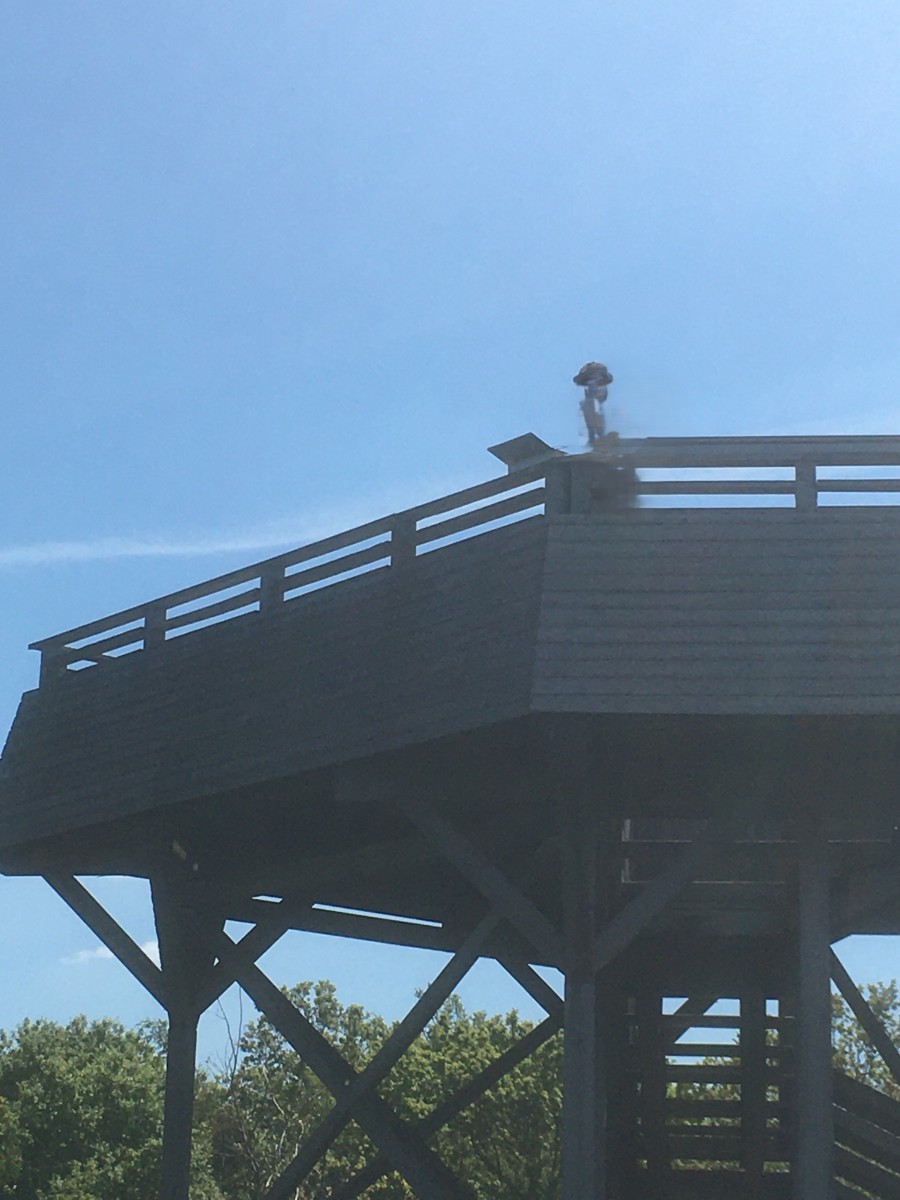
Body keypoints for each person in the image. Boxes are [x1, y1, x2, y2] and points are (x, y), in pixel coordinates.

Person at [573, 361, 613, 445]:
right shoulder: (587, 404)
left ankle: (600, 436)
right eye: (591, 380)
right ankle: (594, 436)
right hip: (590, 404)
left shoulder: (606, 404)